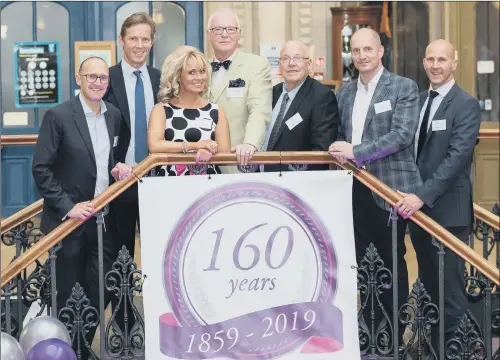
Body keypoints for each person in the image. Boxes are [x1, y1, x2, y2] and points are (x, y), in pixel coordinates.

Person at [32, 57, 132, 359]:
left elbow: (108, 156)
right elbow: (41, 169)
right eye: (91, 77)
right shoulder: (58, 115)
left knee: (99, 288)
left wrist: (117, 169)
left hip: (103, 219)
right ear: (79, 78)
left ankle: (83, 347)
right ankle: (67, 351)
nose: (98, 82)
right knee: (68, 295)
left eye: (103, 78)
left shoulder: (113, 114)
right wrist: (68, 207)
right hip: (69, 223)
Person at [329, 28, 421, 348]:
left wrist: (358, 151)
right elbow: (338, 138)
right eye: (356, 51)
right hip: (353, 190)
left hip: (390, 189)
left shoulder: (403, 87)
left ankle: (393, 336)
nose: (362, 56)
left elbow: (401, 136)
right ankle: (368, 332)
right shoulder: (343, 92)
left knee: (391, 262)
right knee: (361, 263)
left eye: (368, 49)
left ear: (381, 51)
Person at [395, 39, 481, 352]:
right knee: (430, 286)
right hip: (418, 215)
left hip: (448, 213)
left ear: (454, 63)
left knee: (451, 293)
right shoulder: (416, 101)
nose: (435, 65)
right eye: (430, 58)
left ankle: (454, 352)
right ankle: (433, 349)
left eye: (442, 59)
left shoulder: (465, 104)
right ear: (423, 61)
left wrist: (420, 195)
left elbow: (456, 159)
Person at [103, 12, 160, 267]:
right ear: (121, 40)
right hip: (120, 179)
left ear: (152, 42)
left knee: (158, 248)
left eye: (145, 39)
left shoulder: (161, 79)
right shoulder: (106, 79)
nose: (139, 45)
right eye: (133, 38)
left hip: (157, 180)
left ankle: (156, 306)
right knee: (121, 252)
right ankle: (122, 308)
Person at [148, 45, 231, 175]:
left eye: (202, 71)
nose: (199, 77)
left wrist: (209, 152)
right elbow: (154, 146)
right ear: (177, 76)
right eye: (191, 72)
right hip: (169, 184)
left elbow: (225, 153)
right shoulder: (161, 109)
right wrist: (195, 146)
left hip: (207, 185)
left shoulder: (216, 110)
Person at [207, 8, 272, 171]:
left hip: (239, 161)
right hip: (203, 164)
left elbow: (259, 109)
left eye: (230, 29)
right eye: (218, 29)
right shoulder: (200, 68)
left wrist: (250, 143)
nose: (224, 34)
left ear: (239, 34)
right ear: (209, 34)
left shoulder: (256, 65)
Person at [261, 40, 339, 173]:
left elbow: (321, 152)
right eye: (286, 58)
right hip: (264, 180)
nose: (291, 63)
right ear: (279, 65)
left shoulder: (322, 97)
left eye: (297, 58)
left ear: (309, 65)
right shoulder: (272, 93)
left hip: (298, 183)